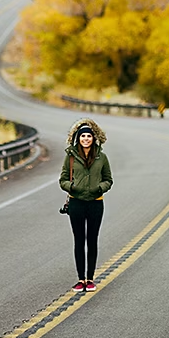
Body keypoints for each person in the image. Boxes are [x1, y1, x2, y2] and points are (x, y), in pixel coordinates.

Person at [59, 118, 113, 293]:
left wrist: (100, 188)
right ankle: (80, 279)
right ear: (78, 138)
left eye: (88, 136)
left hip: (96, 204)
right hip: (76, 203)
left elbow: (108, 180)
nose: (86, 139)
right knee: (79, 241)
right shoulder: (70, 157)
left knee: (92, 240)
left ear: (93, 138)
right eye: (83, 136)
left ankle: (90, 279)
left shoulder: (101, 157)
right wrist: (72, 187)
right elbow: (63, 179)